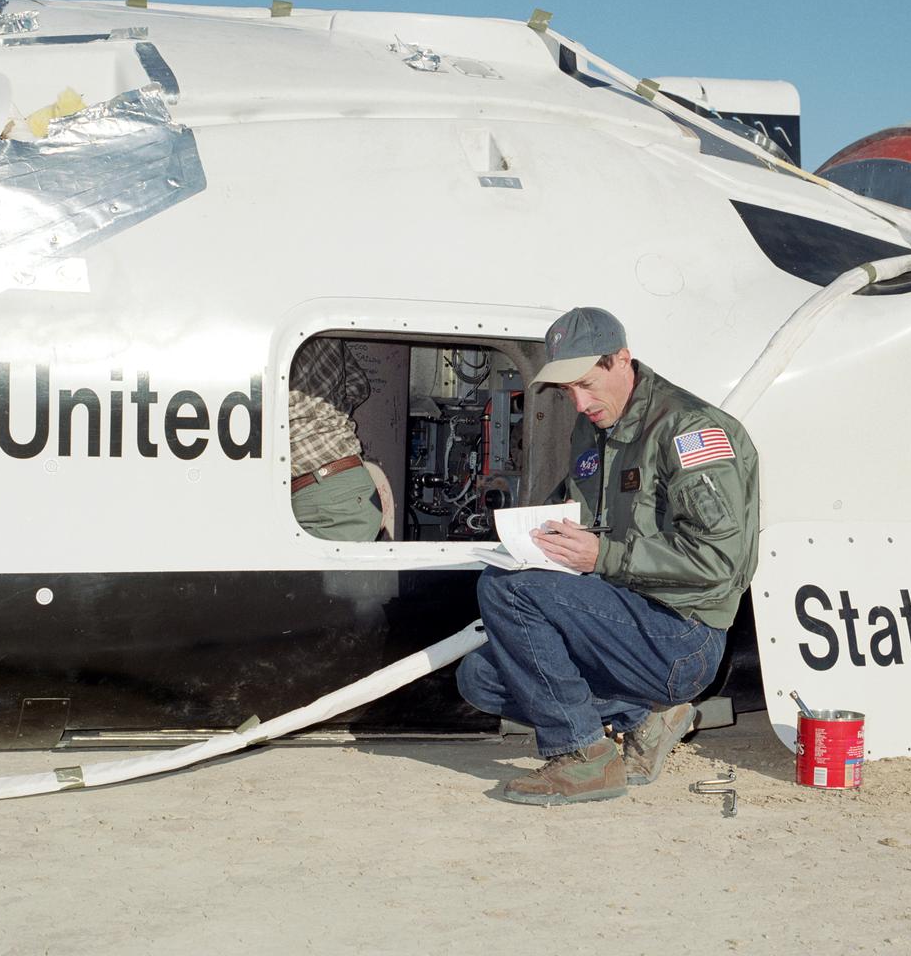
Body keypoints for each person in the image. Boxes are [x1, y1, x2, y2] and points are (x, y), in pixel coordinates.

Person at [456, 307, 759, 805]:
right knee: (482, 677)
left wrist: (603, 556)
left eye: (585, 383)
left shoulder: (688, 430)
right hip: (616, 617)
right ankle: (645, 717)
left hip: (681, 635)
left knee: (507, 589)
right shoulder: (594, 429)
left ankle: (583, 757)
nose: (578, 402)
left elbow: (719, 563)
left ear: (622, 359)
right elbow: (580, 513)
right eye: (566, 390)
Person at [288, 336, 383, 541]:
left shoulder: (276, 328)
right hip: (340, 487)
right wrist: (327, 416)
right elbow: (358, 386)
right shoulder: (325, 329)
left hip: (330, 495)